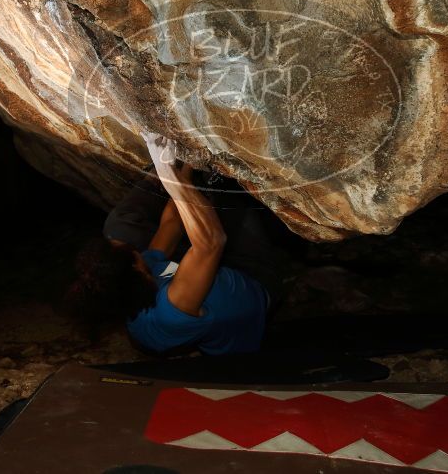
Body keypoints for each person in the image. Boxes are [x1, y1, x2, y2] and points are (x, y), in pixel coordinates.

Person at [70, 132, 290, 355]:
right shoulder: (171, 309)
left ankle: (181, 180)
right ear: (137, 271)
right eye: (130, 252)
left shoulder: (135, 283)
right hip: (256, 277)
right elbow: (212, 241)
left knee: (191, 204)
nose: (133, 248)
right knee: (231, 194)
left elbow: (171, 224)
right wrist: (169, 177)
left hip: (214, 268)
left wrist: (184, 166)